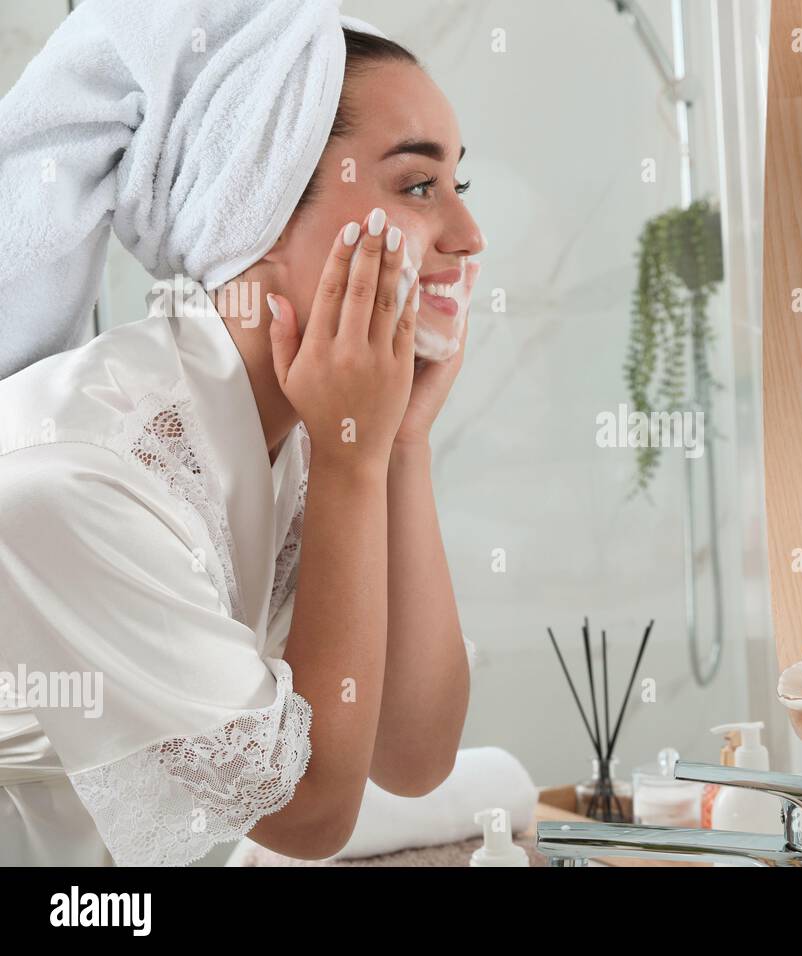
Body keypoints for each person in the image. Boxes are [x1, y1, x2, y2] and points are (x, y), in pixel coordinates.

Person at [0, 0, 485, 866]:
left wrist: (399, 445)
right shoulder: (78, 475)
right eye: (418, 186)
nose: (467, 235)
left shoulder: (300, 431)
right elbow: (305, 816)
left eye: (460, 185)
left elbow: (413, 758)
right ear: (255, 208)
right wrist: (354, 462)